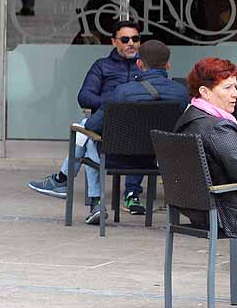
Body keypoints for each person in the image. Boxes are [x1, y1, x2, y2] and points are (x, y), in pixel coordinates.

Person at [42, 40, 188, 224]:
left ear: (139, 64)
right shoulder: (181, 93)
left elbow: (94, 126)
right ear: (168, 65)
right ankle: (66, 184)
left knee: (88, 138)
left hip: (117, 158)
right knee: (89, 136)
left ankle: (85, 196)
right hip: (158, 160)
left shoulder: (123, 92)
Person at [28, 20, 146, 209]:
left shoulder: (146, 68)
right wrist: (113, 105)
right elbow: (84, 96)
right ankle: (120, 197)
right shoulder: (102, 66)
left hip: (137, 134)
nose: (131, 43)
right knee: (90, 136)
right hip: (107, 130)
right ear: (114, 42)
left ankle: (66, 181)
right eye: (125, 39)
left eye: (135, 38)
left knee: (85, 129)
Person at [175, 57, 237, 285]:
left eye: (236, 87)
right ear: (205, 91)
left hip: (201, 207)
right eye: (228, 87)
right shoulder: (217, 126)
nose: (236, 94)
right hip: (229, 210)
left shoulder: (190, 116)